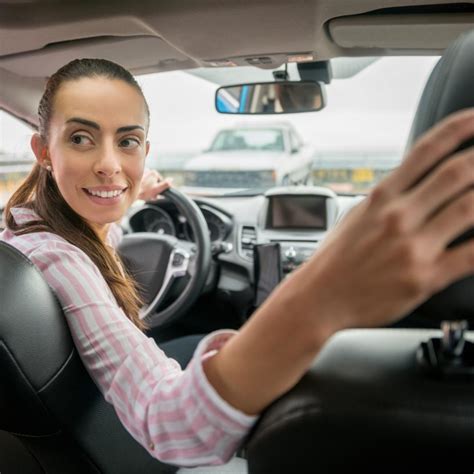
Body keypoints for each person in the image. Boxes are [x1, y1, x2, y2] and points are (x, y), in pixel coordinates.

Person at [1, 58, 473, 471]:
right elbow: (174, 430)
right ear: (44, 152)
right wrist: (322, 292)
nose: (109, 164)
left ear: (146, 152)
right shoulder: (60, 258)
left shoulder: (35, 228)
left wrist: (126, 195)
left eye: (127, 142)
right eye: (81, 138)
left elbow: (108, 196)